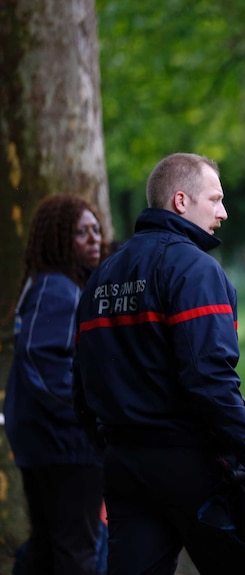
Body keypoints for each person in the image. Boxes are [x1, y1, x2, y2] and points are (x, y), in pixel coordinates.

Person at [74, 153, 245, 575]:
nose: (223, 213)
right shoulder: (195, 270)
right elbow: (209, 377)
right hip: (193, 465)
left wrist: (109, 447)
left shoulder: (101, 276)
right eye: (215, 199)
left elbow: (80, 382)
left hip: (122, 465)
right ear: (180, 201)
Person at [4, 194, 108, 574]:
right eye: (81, 233)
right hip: (64, 445)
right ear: (58, 239)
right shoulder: (56, 289)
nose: (94, 239)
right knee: (75, 548)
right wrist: (88, 416)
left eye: (96, 229)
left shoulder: (52, 286)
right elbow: (43, 362)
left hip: (48, 442)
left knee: (48, 546)